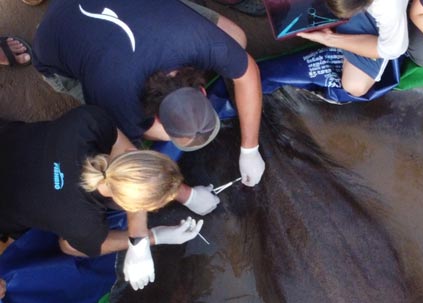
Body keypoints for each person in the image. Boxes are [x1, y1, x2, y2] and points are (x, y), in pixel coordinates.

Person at [32, 0, 265, 187]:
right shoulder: (118, 100)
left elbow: (248, 71)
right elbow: (127, 159)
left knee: (236, 38)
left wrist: (250, 148)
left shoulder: (200, 41)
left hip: (127, 15)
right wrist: (186, 196)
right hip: (53, 40)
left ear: (202, 89)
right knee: (128, 140)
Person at [0, 105, 209, 290]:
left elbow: (126, 150)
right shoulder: (83, 223)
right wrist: (153, 237)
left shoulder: (86, 122)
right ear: (128, 205)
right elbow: (68, 246)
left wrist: (186, 195)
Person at [300, 0, 410, 98]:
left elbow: (390, 49)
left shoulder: (388, 6)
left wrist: (331, 39)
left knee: (355, 85)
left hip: (371, 16)